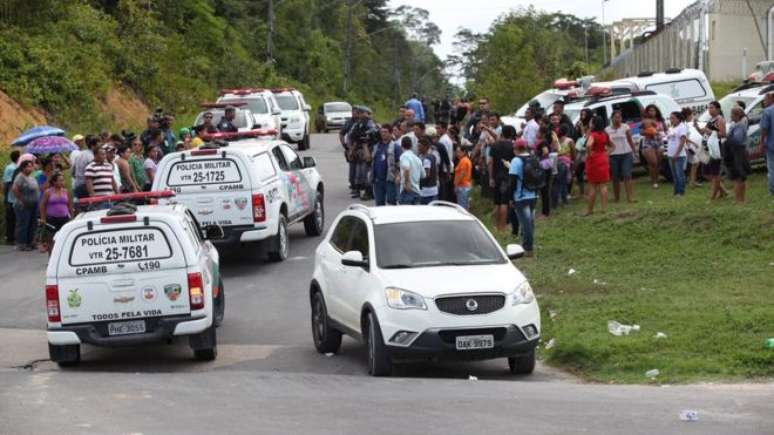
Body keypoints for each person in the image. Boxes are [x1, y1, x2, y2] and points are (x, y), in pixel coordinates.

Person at [509, 138, 537, 257]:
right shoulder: (533, 158)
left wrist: (510, 197)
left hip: (521, 196)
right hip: (533, 195)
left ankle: (527, 248)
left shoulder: (516, 160)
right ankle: (527, 244)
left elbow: (512, 181)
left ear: (516, 149)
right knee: (530, 221)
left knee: (526, 224)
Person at [698, 101, 728, 200]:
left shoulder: (720, 120)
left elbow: (723, 134)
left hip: (716, 148)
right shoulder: (711, 119)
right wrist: (697, 127)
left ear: (718, 109)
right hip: (708, 147)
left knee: (715, 174)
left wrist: (709, 131)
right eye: (709, 108)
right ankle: (723, 191)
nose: (710, 110)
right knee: (706, 173)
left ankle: (713, 197)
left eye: (712, 108)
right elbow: (704, 133)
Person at [605, 110, 637, 203]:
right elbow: (606, 143)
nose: (618, 119)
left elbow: (630, 140)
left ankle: (630, 197)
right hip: (613, 155)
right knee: (615, 177)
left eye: (619, 117)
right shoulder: (607, 130)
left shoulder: (625, 127)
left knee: (627, 175)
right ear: (612, 118)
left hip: (626, 153)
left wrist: (634, 151)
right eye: (616, 117)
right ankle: (617, 198)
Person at [489, 125, 516, 232]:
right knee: (505, 203)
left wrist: (491, 177)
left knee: (497, 203)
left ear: (502, 133)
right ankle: (503, 227)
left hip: (496, 176)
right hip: (508, 177)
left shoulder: (494, 145)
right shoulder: (513, 146)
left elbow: (490, 162)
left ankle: (496, 226)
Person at [38, 171, 72, 255]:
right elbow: (42, 205)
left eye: (63, 180)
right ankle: (51, 259)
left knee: (64, 239)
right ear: (54, 182)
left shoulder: (66, 192)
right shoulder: (48, 192)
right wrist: (43, 218)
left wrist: (72, 218)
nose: (62, 182)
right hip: (51, 219)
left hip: (64, 218)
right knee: (52, 240)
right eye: (60, 180)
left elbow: (70, 205)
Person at [584, 115, 612, 215]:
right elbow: (612, 146)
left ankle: (590, 210)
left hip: (593, 160)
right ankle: (604, 209)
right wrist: (606, 153)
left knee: (592, 186)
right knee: (603, 185)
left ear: (594, 124)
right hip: (603, 158)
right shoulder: (605, 134)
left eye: (591, 122)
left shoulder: (593, 134)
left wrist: (589, 153)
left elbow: (588, 145)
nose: (589, 124)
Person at [11, 160, 39, 251]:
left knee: (32, 223)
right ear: (23, 168)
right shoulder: (20, 177)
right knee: (23, 224)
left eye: (31, 166)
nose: (31, 168)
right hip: (23, 205)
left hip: (33, 203)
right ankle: (21, 243)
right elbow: (15, 189)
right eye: (28, 166)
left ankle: (30, 242)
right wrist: (21, 200)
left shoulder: (31, 177)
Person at [726, 106, 750, 204]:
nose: (730, 116)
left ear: (736, 115)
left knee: (738, 177)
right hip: (738, 152)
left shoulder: (739, 126)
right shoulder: (736, 124)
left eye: (731, 114)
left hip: (738, 152)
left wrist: (727, 137)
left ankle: (738, 200)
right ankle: (741, 199)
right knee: (740, 177)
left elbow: (738, 140)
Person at [372, 124, 401, 206]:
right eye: (381, 132)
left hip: (390, 179)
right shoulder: (376, 146)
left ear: (391, 133)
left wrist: (398, 176)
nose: (383, 134)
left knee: (391, 202)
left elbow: (399, 163)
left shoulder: (396, 147)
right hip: (378, 180)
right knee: (379, 203)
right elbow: (371, 160)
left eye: (385, 132)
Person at [641, 104, 666, 189]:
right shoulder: (645, 121)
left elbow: (666, 130)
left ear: (656, 111)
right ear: (647, 112)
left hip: (659, 142)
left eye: (653, 110)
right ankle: (654, 182)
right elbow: (641, 132)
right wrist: (650, 132)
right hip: (649, 142)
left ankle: (656, 178)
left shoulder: (661, 120)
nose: (652, 112)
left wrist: (662, 133)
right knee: (653, 162)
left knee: (658, 163)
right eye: (650, 110)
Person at [666, 111, 688, 197]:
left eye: (673, 118)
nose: (671, 120)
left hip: (679, 155)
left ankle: (681, 192)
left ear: (678, 119)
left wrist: (676, 154)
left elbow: (682, 142)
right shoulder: (671, 128)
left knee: (680, 174)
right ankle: (676, 192)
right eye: (670, 118)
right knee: (674, 175)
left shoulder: (682, 127)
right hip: (670, 154)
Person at [71, 134, 98, 200]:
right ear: (93, 146)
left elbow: (72, 172)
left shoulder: (79, 154)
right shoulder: (91, 157)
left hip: (78, 186)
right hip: (87, 187)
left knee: (82, 208)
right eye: (98, 146)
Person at [398, 136, 423, 205]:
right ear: (411, 146)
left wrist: (407, 182)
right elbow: (423, 175)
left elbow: (406, 168)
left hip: (407, 191)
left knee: (406, 214)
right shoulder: (417, 159)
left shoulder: (404, 156)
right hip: (417, 191)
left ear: (401, 145)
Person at [555, 124, 575, 206]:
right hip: (566, 163)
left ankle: (558, 198)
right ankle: (564, 199)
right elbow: (574, 153)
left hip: (556, 163)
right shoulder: (569, 141)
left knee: (557, 181)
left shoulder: (556, 141)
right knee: (564, 182)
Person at [3, 150, 20, 244]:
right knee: (11, 218)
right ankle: (10, 238)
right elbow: (6, 183)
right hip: (11, 197)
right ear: (18, 157)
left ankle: (15, 237)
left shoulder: (19, 168)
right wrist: (5, 196)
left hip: (17, 197)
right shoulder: (10, 168)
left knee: (16, 218)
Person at [683, 108, 704, 188]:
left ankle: (692, 181)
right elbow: (684, 137)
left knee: (695, 163)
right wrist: (693, 143)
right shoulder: (684, 125)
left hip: (688, 146)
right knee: (695, 162)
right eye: (691, 115)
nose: (692, 116)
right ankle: (692, 182)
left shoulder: (687, 124)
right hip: (688, 147)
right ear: (688, 115)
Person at [759, 92, 774, 196]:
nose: (764, 102)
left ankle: (772, 190)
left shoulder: (767, 112)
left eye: (765, 100)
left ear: (771, 99)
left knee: (772, 168)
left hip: (771, 144)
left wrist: (761, 143)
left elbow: (764, 129)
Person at [418, 136, 439, 204]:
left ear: (425, 147)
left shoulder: (426, 159)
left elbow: (427, 175)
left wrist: (417, 179)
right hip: (434, 189)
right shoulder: (432, 156)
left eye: (419, 146)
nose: (418, 148)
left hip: (427, 192)